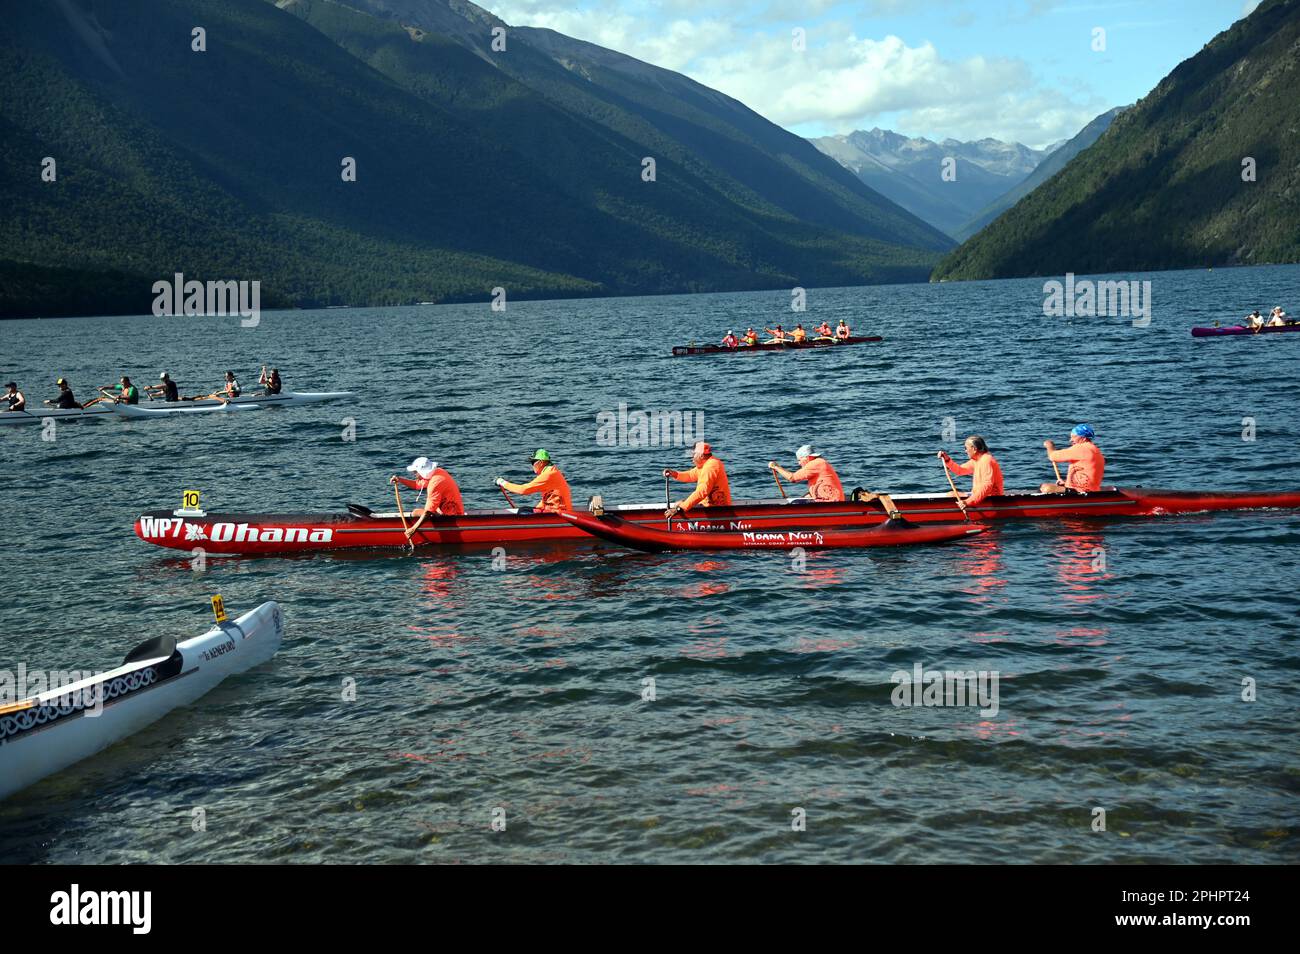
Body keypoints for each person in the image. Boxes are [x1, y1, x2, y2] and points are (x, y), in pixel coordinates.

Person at [392, 456, 464, 539]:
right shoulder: (437, 472)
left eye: (415, 472)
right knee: (418, 512)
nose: (414, 474)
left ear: (422, 472)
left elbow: (428, 512)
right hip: (451, 511)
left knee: (416, 512)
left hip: (452, 517)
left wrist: (413, 529)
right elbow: (417, 485)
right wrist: (400, 480)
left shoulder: (435, 483)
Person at [938, 435, 1004, 514]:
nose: (965, 451)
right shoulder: (976, 461)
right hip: (980, 496)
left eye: (966, 448)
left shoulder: (987, 460)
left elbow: (987, 486)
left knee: (951, 497)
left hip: (991, 499)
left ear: (974, 449)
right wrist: (947, 460)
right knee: (950, 495)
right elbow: (960, 470)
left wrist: (968, 502)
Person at [664, 441, 731, 517]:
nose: (692, 457)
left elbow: (702, 491)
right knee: (679, 503)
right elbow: (690, 475)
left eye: (694, 454)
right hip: (709, 506)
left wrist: (680, 509)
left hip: (718, 510)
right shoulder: (706, 464)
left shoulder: (711, 466)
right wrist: (673, 474)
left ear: (701, 456)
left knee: (679, 505)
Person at [496, 449, 572, 513]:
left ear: (541, 462)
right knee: (524, 510)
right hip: (554, 510)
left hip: (559, 513)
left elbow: (523, 490)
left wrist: (502, 482)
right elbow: (547, 498)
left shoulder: (549, 474)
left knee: (522, 512)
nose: (532, 465)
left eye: (533, 462)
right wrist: (535, 509)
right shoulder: (551, 471)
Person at [1040, 424, 1105, 494]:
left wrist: (1049, 445)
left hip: (1081, 491)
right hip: (1089, 489)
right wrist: (1066, 483)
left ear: (1083, 438)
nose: (1070, 440)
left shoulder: (1081, 448)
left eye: (1074, 437)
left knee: (1046, 488)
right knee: (1044, 486)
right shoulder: (1095, 449)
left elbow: (1052, 456)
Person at [769, 445, 844, 502]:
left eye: (799, 460)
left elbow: (792, 478)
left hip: (831, 502)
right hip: (833, 500)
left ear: (807, 458)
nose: (799, 463)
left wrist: (776, 467)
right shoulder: (820, 462)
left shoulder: (815, 463)